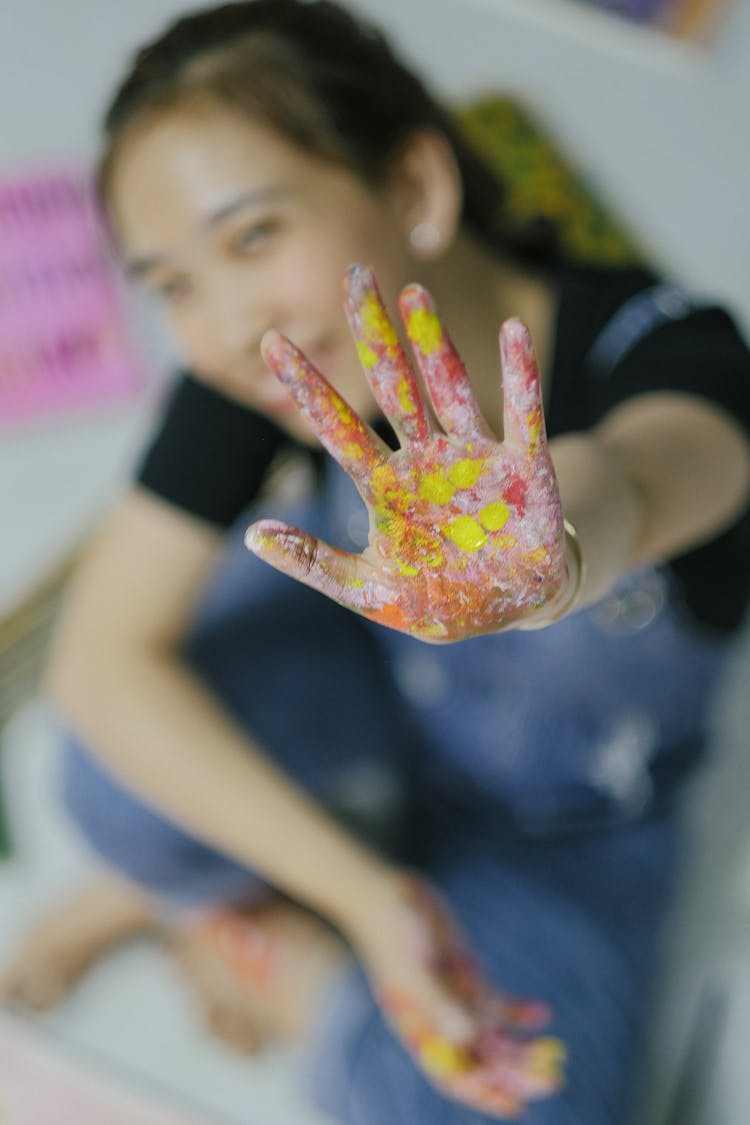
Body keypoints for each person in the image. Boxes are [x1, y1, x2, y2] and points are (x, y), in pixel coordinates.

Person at [3, 1, 750, 1120]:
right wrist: (369, 902)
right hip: (359, 697)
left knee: (512, 1093)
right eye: (170, 284)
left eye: (253, 236)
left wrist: (553, 559)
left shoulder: (675, 351)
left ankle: (242, 934)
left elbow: (646, 472)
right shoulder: (266, 366)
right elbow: (103, 663)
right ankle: (267, 920)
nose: (219, 325)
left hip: (561, 820)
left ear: (416, 189)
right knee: (113, 786)